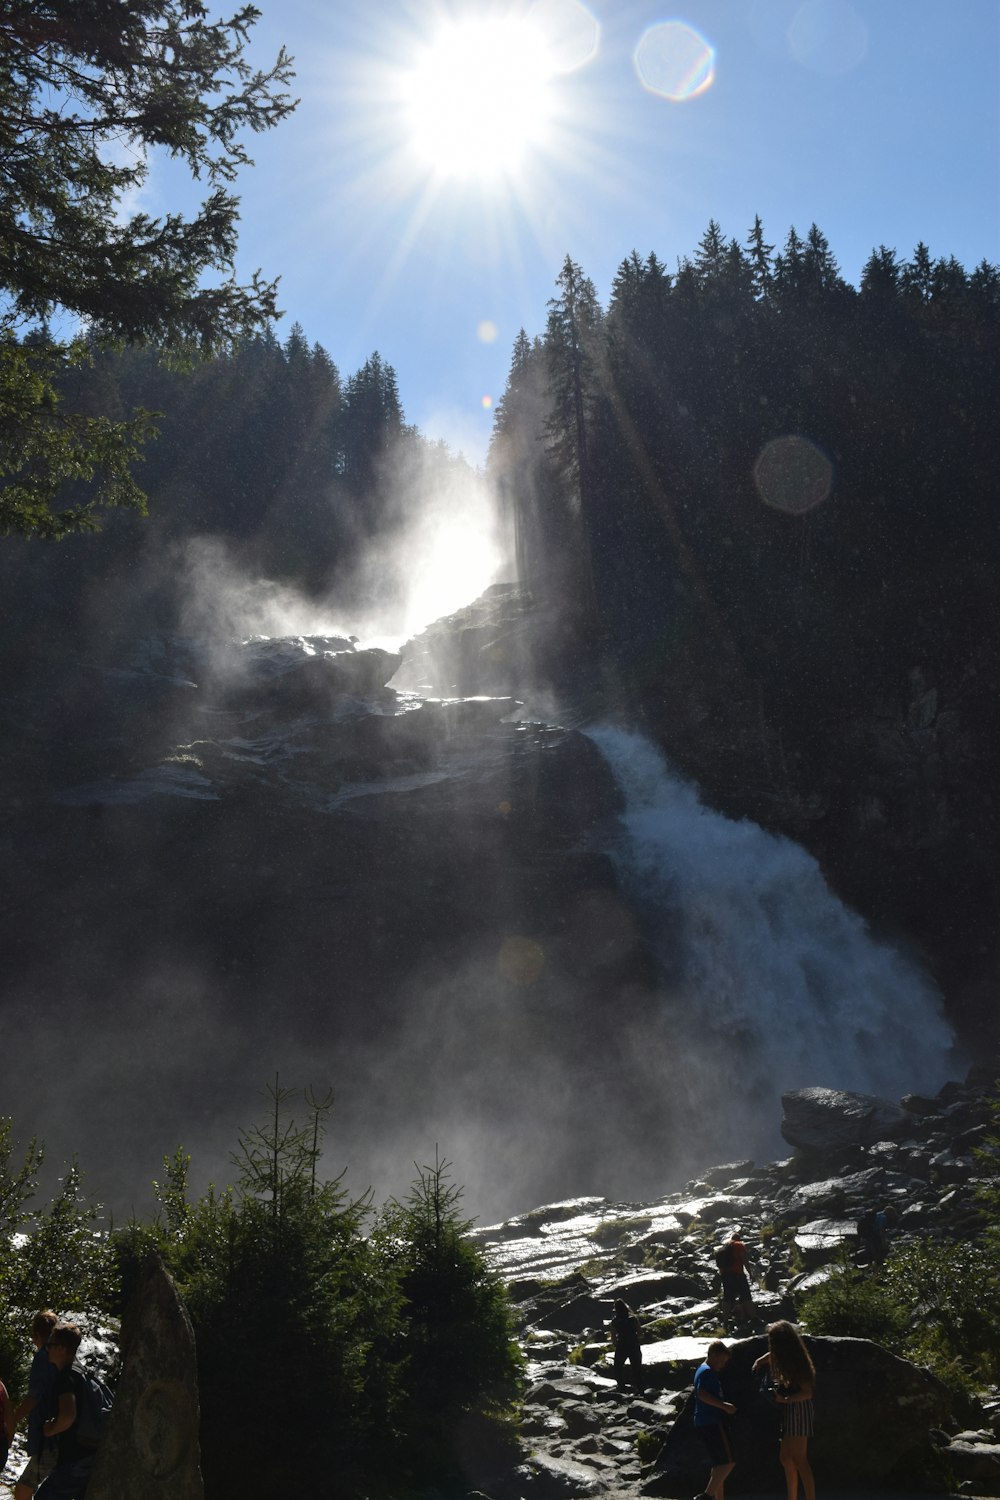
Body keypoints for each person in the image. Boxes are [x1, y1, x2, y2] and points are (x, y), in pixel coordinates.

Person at [752, 1320, 816, 1500]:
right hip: (788, 1409)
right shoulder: (784, 1355)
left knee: (799, 1459)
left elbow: (807, 1393)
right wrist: (760, 1361)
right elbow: (773, 1355)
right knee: (786, 1458)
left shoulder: (798, 1362)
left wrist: (786, 1399)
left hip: (798, 1409)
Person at [35, 1323, 95, 1500]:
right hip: (89, 1455)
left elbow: (68, 1416)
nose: (47, 1350)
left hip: (74, 1458)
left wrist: (50, 1428)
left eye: (50, 1345)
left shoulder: (66, 1378)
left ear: (61, 1349)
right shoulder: (81, 1372)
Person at [13, 1309, 59, 1500]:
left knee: (23, 1489)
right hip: (65, 1436)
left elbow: (34, 1397)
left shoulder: (43, 1357)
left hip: (49, 1437)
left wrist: (12, 1419)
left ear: (37, 1334)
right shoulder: (65, 1357)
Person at [693, 1340, 736, 1500]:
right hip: (711, 1420)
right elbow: (702, 1394)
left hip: (703, 1421)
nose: (722, 1365)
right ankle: (706, 1496)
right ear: (712, 1355)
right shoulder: (707, 1372)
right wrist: (724, 1406)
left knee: (718, 1464)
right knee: (728, 1462)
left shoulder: (702, 1370)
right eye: (721, 1361)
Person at [718, 1232, 756, 1330]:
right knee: (746, 1296)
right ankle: (754, 1318)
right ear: (739, 1239)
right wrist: (750, 1273)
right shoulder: (739, 1245)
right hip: (738, 1275)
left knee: (727, 1299)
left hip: (725, 1276)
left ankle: (725, 1321)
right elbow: (744, 1260)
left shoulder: (724, 1248)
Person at [609, 1298, 643, 1390]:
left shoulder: (615, 1321)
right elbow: (640, 1333)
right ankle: (640, 1390)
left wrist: (616, 1345)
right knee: (637, 1369)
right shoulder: (633, 1318)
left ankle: (621, 1387)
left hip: (622, 1346)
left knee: (617, 1368)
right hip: (634, 1345)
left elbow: (613, 1337)